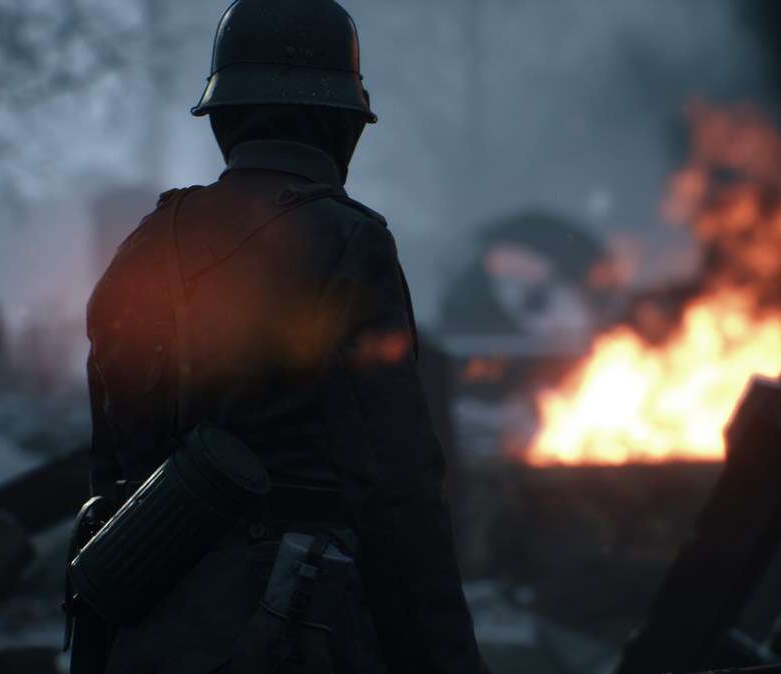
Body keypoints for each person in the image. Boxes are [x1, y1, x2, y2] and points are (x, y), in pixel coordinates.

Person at [76, 1, 488, 672]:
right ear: (342, 123)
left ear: (226, 118)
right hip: (299, 636)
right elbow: (396, 491)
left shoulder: (147, 245)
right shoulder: (349, 244)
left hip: (150, 634)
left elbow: (107, 482)